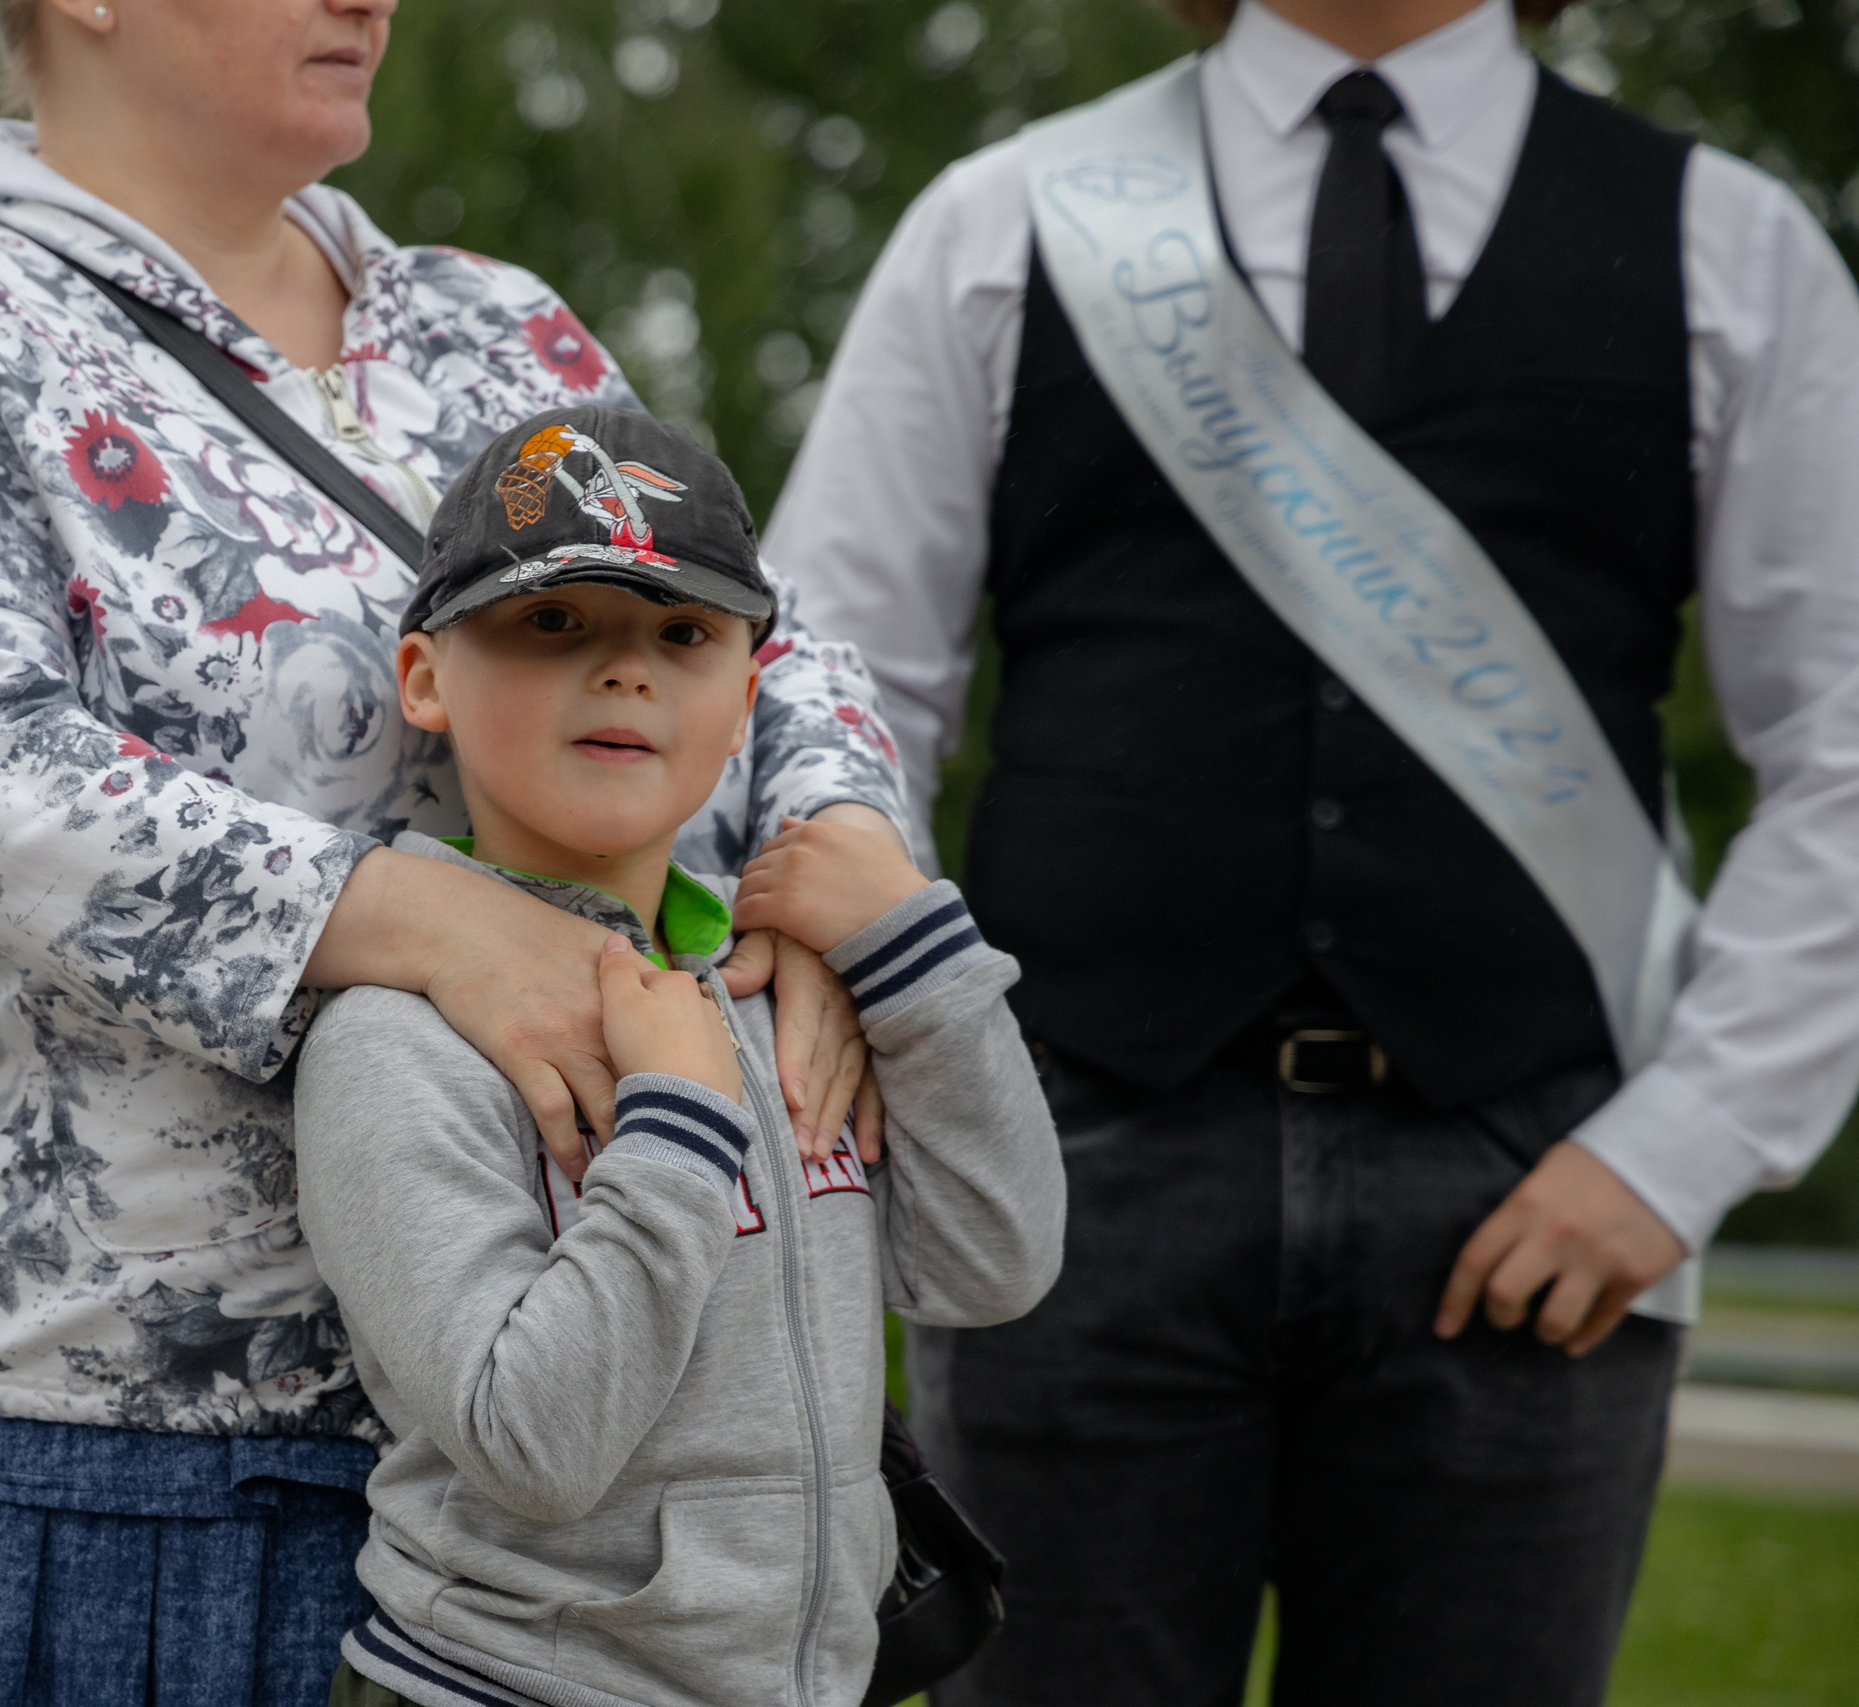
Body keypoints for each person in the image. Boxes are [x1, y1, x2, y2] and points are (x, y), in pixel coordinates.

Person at [0, 0, 913, 1700]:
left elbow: (769, 653)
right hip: (98, 1443)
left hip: (560, 1463)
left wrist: (830, 873)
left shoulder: (503, 334)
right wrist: (416, 917)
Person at [765, 0, 1859, 1700]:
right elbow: (837, 686)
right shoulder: (1007, 219)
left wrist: (1691, 1144)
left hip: (1541, 1188)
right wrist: (901, 1041)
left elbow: (1846, 738)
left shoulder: (1739, 244)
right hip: (1063, 1181)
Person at [290, 406, 1064, 1707]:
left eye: (683, 634)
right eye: (552, 622)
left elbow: (994, 1263)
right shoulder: (399, 1037)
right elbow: (531, 1447)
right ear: (425, 676)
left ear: (744, 696)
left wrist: (914, 957)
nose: (625, 671)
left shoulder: (785, 992)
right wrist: (681, 1124)